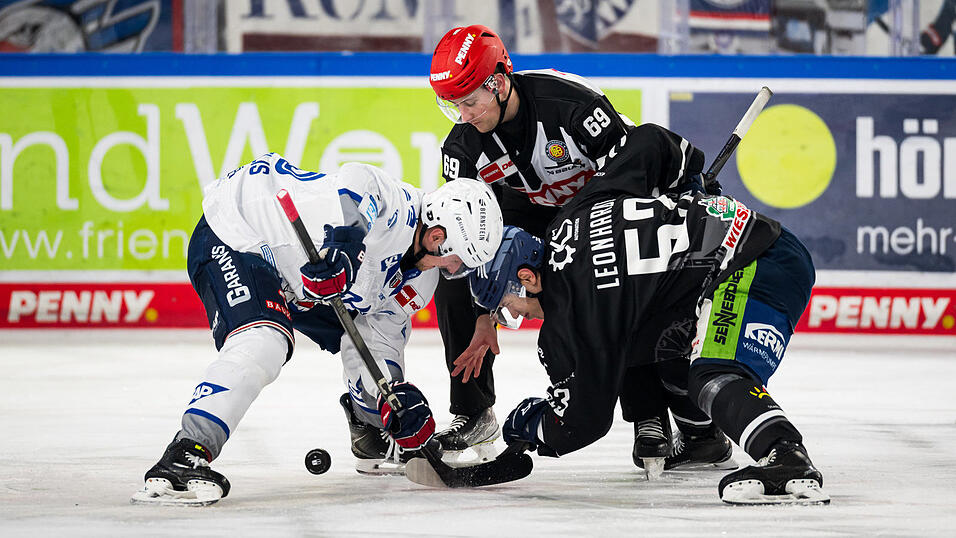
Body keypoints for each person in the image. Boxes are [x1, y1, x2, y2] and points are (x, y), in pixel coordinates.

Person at [466, 124, 830, 504]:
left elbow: (585, 421)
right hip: (757, 244)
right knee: (660, 347)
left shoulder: (577, 313)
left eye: (507, 307)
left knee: (714, 373)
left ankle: (785, 455)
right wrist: (688, 184)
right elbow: (651, 140)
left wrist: (534, 424)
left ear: (527, 278)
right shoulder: (572, 215)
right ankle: (702, 438)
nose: (517, 316)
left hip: (753, 263)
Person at [131, 153, 503, 505]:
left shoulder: (420, 282)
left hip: (301, 279)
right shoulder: (398, 207)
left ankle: (368, 429)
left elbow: (375, 344)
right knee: (264, 340)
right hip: (238, 231)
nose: (454, 272)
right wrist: (346, 246)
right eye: (458, 262)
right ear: (437, 237)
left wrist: (390, 402)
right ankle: (186, 452)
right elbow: (359, 177)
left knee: (370, 373)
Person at [427, 24, 723, 467]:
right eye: (453, 105)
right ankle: (473, 412)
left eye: (470, 102)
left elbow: (633, 178)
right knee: (454, 279)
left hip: (613, 206)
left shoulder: (572, 105)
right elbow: (466, 233)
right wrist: (484, 312)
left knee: (614, 281)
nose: (463, 115)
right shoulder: (464, 147)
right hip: (537, 215)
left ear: (499, 82)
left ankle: (648, 411)